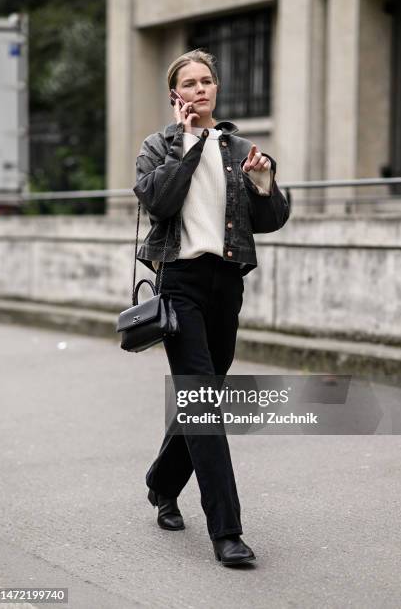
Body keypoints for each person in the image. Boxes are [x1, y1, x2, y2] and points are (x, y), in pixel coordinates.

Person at [133, 49, 290, 567]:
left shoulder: (240, 147)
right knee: (204, 401)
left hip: (226, 284)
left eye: (207, 82)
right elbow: (157, 202)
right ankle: (228, 531)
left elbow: (270, 218)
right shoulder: (157, 146)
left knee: (205, 394)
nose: (200, 89)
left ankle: (161, 482)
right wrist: (185, 147)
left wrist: (264, 183)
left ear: (216, 89)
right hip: (179, 283)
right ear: (175, 95)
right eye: (189, 83)